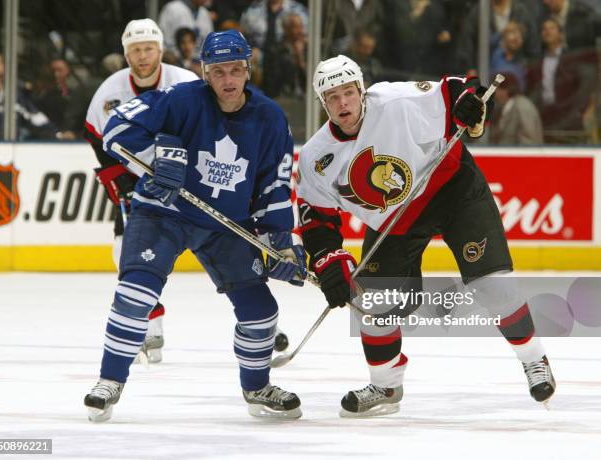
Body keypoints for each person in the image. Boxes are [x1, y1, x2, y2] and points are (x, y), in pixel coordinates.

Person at [296, 55, 556, 417]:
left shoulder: (394, 101)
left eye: (348, 92)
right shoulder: (314, 157)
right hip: (396, 221)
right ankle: (386, 383)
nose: (343, 103)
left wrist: (472, 103)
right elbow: (316, 218)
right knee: (375, 303)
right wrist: (328, 260)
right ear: (323, 103)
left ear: (361, 90)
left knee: (493, 284)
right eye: (333, 97)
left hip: (452, 189)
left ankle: (533, 360)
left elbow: (455, 92)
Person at [83, 30, 306, 422]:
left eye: (236, 69)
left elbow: (274, 183)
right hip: (162, 212)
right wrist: (157, 157)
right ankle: (110, 380)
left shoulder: (270, 117)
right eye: (219, 71)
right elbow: (116, 129)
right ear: (205, 73)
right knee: (136, 294)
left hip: (225, 225)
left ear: (248, 70)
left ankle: (257, 387)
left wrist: (280, 242)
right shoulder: (181, 99)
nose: (228, 80)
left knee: (261, 312)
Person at [84, 19, 199, 363]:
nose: (143, 56)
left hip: (189, 176)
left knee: (227, 243)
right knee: (126, 251)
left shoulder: (186, 83)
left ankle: (267, 324)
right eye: (136, 50)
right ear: (126, 53)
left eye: (149, 48)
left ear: (161, 50)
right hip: (137, 181)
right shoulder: (109, 91)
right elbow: (95, 133)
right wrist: (120, 178)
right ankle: (150, 325)